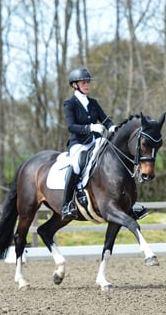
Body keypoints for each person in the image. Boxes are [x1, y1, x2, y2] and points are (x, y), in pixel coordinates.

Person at [61, 67, 116, 220]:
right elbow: (71, 126)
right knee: (77, 164)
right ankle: (67, 204)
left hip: (96, 142)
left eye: (87, 83)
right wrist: (89, 127)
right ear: (74, 85)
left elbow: (105, 119)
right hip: (78, 143)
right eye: (83, 83)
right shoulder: (70, 104)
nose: (87, 85)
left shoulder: (93, 103)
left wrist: (112, 126)